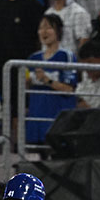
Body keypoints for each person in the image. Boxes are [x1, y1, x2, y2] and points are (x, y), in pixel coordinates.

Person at [25, 13, 77, 144]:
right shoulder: (33, 58)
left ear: (58, 31)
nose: (44, 32)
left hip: (57, 117)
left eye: (48, 27)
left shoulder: (66, 56)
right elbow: (26, 90)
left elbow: (69, 89)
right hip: (37, 116)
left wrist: (47, 80)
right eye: (41, 28)